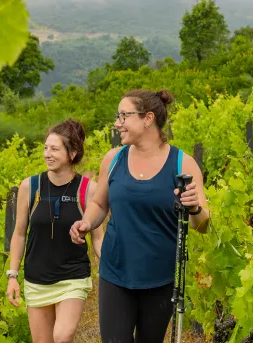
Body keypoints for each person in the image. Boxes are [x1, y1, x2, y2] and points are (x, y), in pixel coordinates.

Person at [69, 89, 210, 343]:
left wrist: (195, 209)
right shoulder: (113, 159)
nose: (117, 123)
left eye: (124, 116)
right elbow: (100, 203)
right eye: (118, 115)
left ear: (148, 119)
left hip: (160, 277)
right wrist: (86, 222)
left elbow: (203, 224)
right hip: (116, 272)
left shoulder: (182, 164)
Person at [6, 118, 104, 343]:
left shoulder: (88, 189)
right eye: (45, 148)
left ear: (72, 154)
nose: (47, 154)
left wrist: (112, 266)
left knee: (62, 336)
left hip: (72, 278)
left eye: (54, 149)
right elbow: (19, 233)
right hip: (36, 279)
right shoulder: (30, 187)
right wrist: (12, 276)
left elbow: (98, 240)